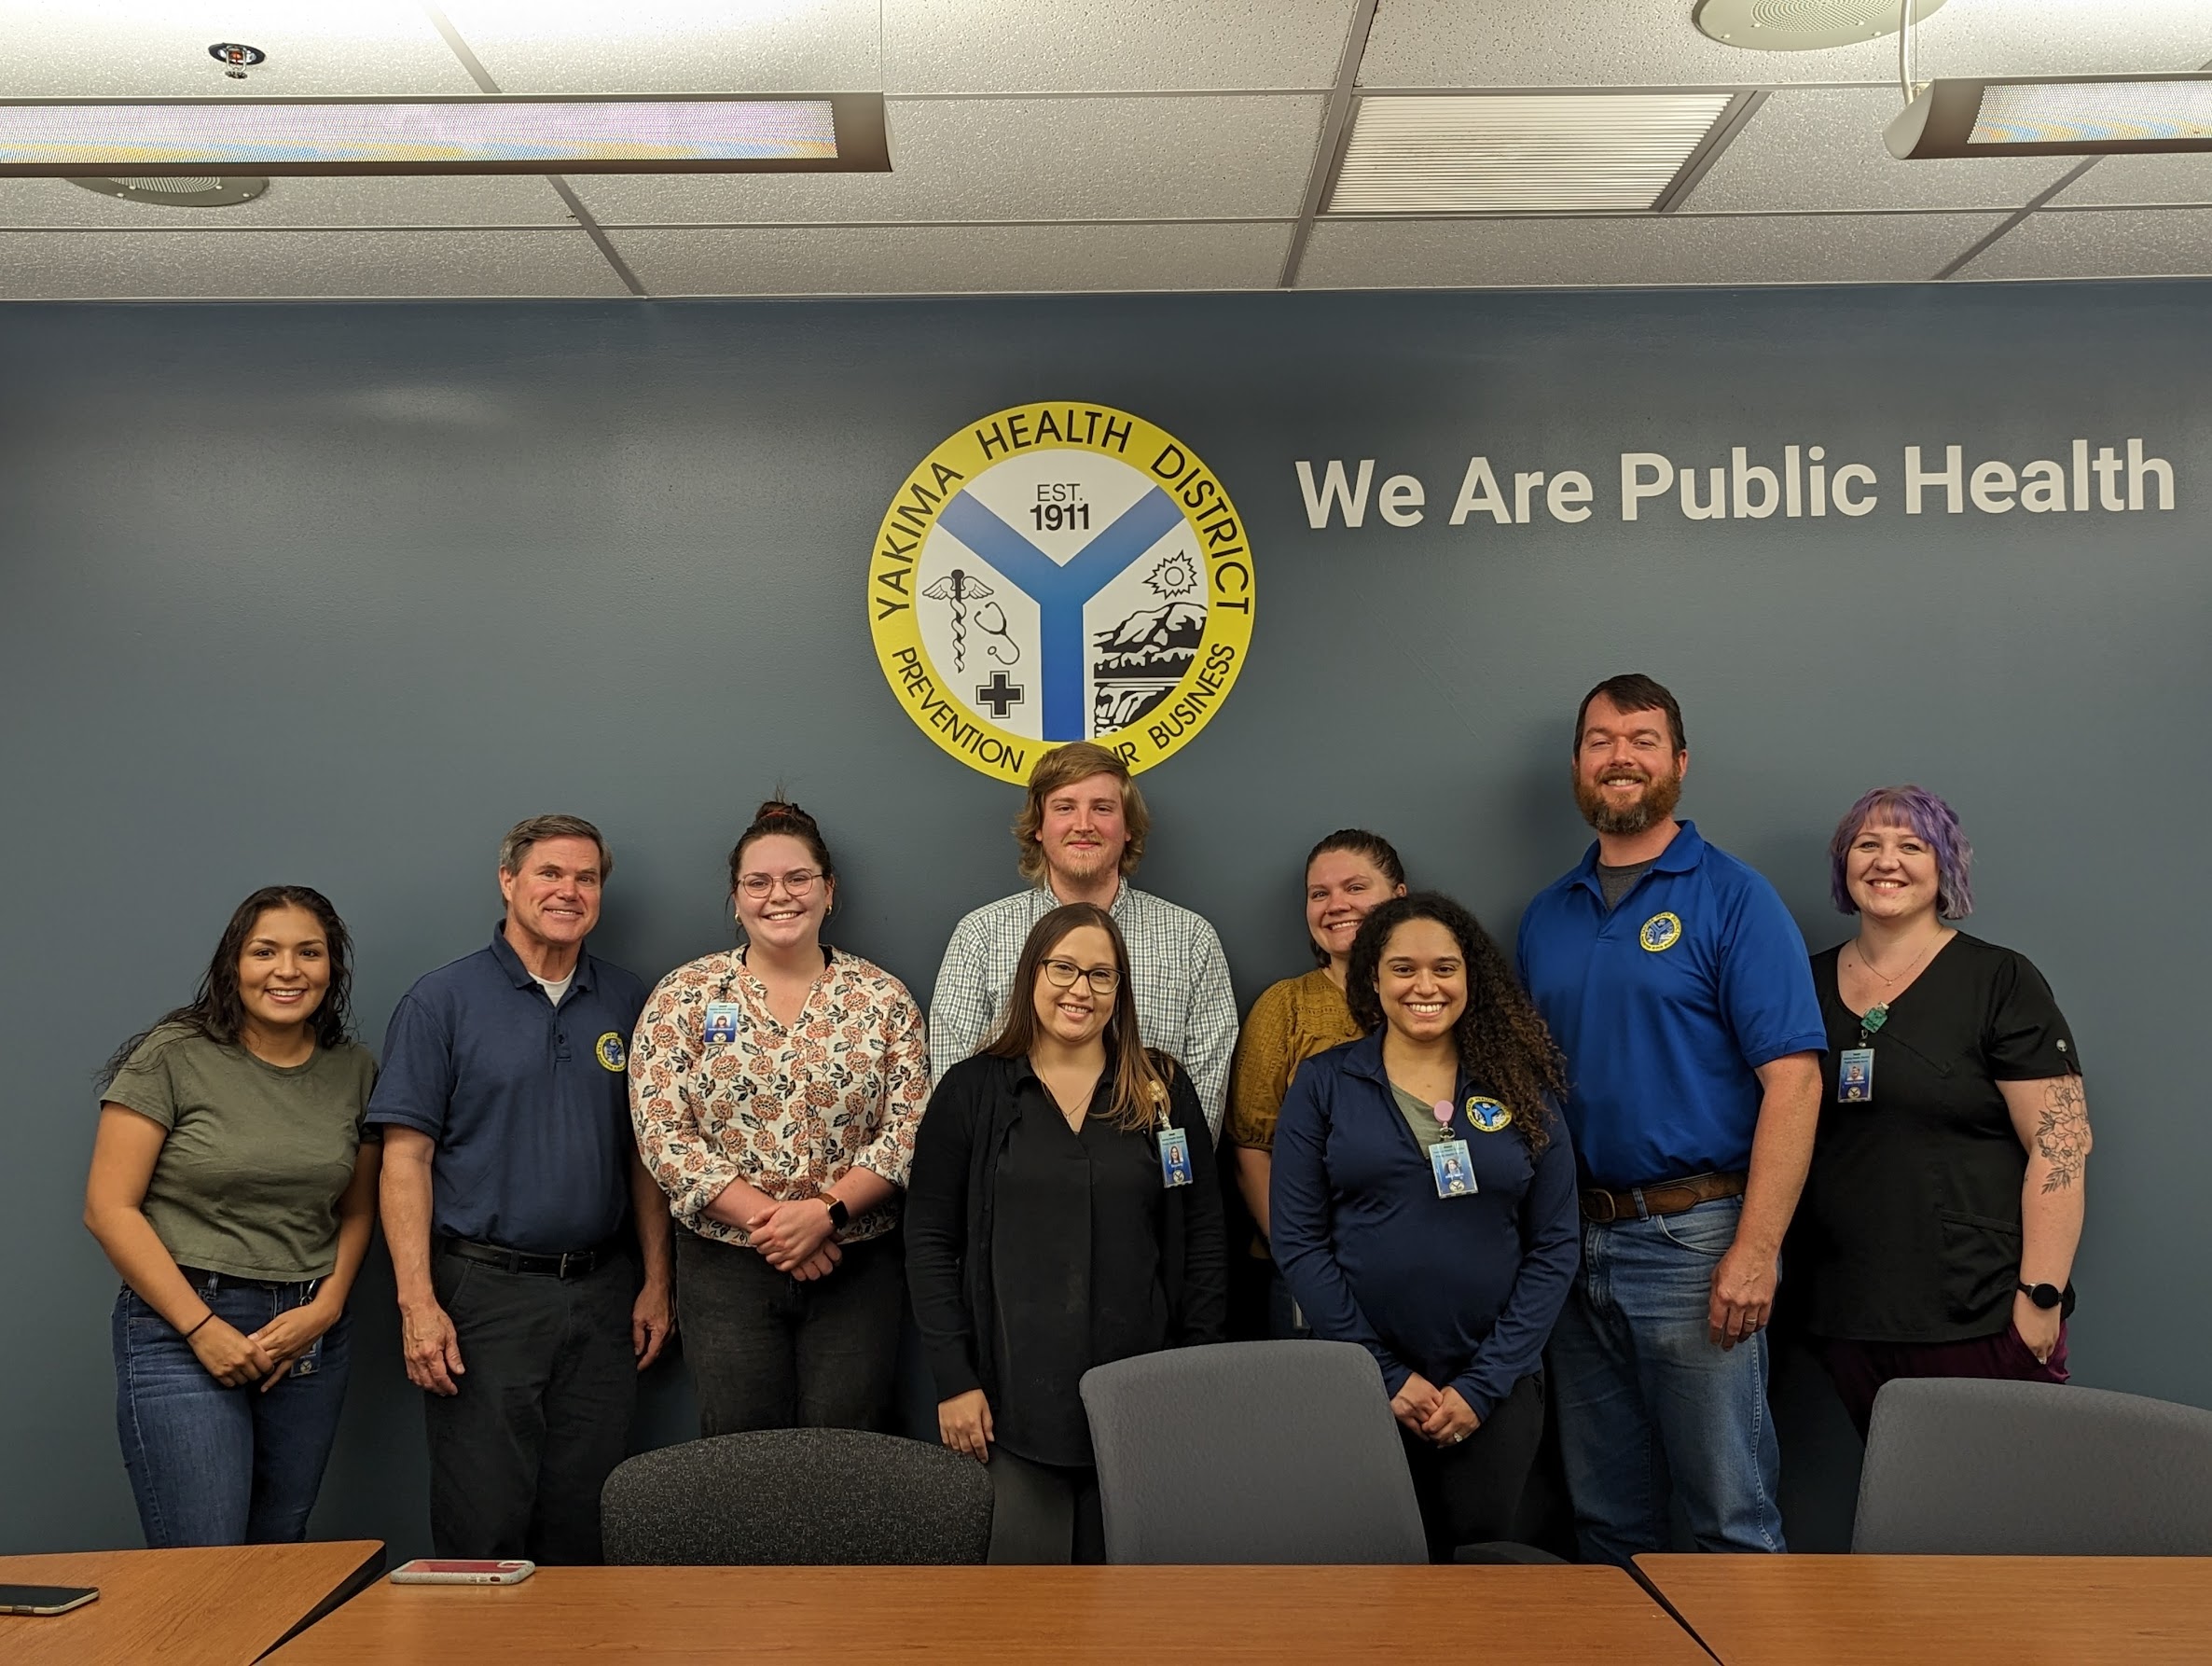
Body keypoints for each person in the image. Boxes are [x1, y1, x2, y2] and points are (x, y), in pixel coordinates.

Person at [1516, 674, 1825, 1564]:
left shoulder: (1734, 898)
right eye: (1602, 740)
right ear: (1577, 764)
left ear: (1679, 763)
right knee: (1608, 1523)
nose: (1622, 757)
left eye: (1643, 739)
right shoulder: (1546, 916)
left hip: (1696, 1246)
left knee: (1730, 1517)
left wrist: (1756, 1250)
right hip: (1575, 1247)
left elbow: (1795, 1086)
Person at [367, 814, 673, 1564]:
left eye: (586, 878)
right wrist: (417, 1304)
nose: (568, 891)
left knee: (586, 1521)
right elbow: (404, 1158)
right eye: (549, 874)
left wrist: (657, 1282)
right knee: (484, 1523)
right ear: (508, 881)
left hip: (602, 1294)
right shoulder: (442, 1001)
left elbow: (647, 1155)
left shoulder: (629, 1002)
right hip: (482, 1294)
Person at [907, 903, 1228, 1563]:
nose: (1080, 990)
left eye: (1101, 975)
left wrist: (1194, 1371)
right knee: (1024, 1616)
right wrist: (954, 1378)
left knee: (1139, 1612)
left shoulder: (1161, 1090)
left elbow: (1204, 1238)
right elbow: (930, 1239)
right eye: (1063, 968)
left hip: (1144, 1401)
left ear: (1121, 991)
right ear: (1031, 975)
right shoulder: (973, 1091)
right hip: (1006, 1408)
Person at [1271, 893, 1578, 1559]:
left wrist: (1482, 1383)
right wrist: (1384, 1375)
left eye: (1445, 968)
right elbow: (1297, 1239)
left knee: (1482, 1579)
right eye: (1403, 968)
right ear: (1372, 980)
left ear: (1471, 977)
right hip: (1359, 1382)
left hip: (1494, 1389)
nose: (1425, 986)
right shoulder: (1325, 1084)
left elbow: (1555, 1244)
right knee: (1371, 1577)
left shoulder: (1521, 1085)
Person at [83, 886, 380, 1548]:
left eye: (310, 952)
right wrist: (200, 1327)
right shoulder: (173, 1054)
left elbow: (358, 1209)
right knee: (205, 1559)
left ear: (332, 967)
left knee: (278, 1553)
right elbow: (108, 1208)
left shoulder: (353, 1070)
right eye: (264, 951)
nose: (287, 970)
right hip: (180, 1325)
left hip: (306, 1336)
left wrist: (326, 1309)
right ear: (233, 964)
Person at [1792, 785, 2090, 1437]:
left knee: (2004, 1519)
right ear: (1844, 864)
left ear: (1945, 866)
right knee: (1900, 1519)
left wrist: (2040, 1296)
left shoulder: (2000, 981)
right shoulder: (1799, 985)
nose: (1886, 860)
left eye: (1911, 845)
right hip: (1848, 1318)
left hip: (1980, 1314)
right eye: (1867, 845)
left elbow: (2062, 1145)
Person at [629, 799, 928, 1436]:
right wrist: (777, 1226)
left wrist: (822, 1216)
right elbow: (662, 1132)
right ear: (735, 899)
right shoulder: (684, 995)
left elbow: (908, 1128)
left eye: (798, 879)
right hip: (724, 1269)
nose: (779, 896)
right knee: (741, 1460)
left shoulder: (883, 998)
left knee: (847, 1455)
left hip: (857, 1265)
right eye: (758, 882)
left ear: (829, 891)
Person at [928, 742, 1238, 1138]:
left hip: (1146, 1188)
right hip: (1010, 1187)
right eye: (1064, 807)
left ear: (1128, 829)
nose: (1084, 824)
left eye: (1103, 808)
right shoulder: (981, 935)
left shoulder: (1191, 939)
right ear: (1038, 827)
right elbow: (955, 1093)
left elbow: (1203, 1095)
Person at [1227, 829, 1407, 1338]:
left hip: (1420, 1271)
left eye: (1355, 888)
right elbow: (1251, 1148)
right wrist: (1301, 1260)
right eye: (1319, 893)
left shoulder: (1434, 999)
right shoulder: (1286, 1007)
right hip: (1309, 1275)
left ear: (1398, 897)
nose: (1336, 905)